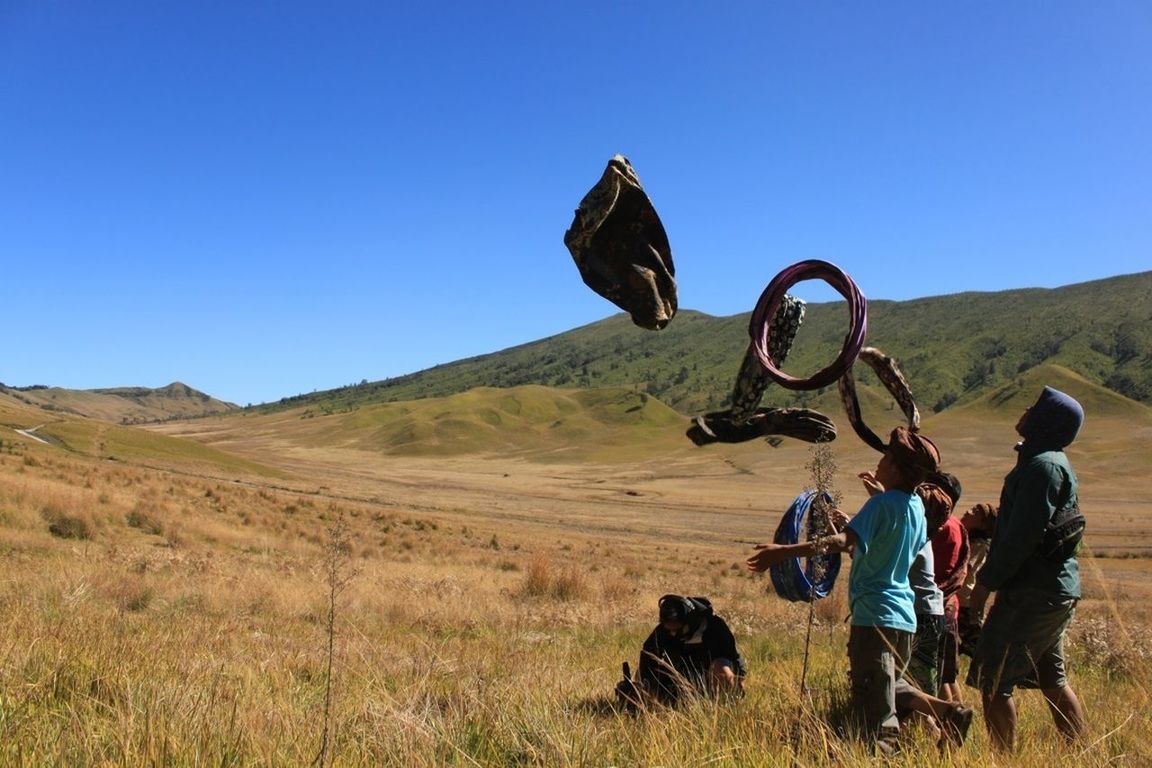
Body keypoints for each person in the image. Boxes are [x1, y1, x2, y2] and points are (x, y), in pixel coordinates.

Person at [747, 427, 973, 753]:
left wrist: (782, 551)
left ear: (898, 468)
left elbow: (843, 543)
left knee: (873, 703)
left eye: (886, 457)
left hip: (875, 617)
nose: (880, 462)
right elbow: (873, 549)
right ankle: (948, 711)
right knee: (890, 684)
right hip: (905, 619)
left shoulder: (881, 505)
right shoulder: (915, 510)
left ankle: (884, 754)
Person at [966, 386, 1088, 752]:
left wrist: (985, 584)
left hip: (1034, 592)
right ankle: (1080, 754)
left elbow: (1021, 536)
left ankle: (1004, 759)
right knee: (1052, 678)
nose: (1026, 409)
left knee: (994, 678)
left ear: (1046, 421)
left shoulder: (1043, 466)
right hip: (1050, 590)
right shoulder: (1045, 462)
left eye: (1035, 407)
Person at [622, 594, 746, 707]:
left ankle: (721, 707)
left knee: (721, 669)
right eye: (669, 629)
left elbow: (734, 664)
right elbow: (648, 656)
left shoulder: (714, 628)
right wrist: (643, 690)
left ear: (690, 621)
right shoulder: (664, 630)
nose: (672, 633)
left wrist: (732, 685)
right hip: (683, 676)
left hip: (710, 678)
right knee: (642, 672)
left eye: (676, 629)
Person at [925, 472, 969, 703]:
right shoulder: (956, 524)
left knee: (936, 674)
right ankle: (956, 723)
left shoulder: (940, 527)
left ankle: (942, 723)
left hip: (935, 605)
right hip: (949, 604)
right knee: (947, 676)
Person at [957, 502, 998, 657]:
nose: (969, 511)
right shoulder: (966, 538)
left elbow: (964, 568)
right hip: (961, 600)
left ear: (982, 524)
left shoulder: (977, 545)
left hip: (963, 602)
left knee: (976, 650)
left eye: (976, 512)